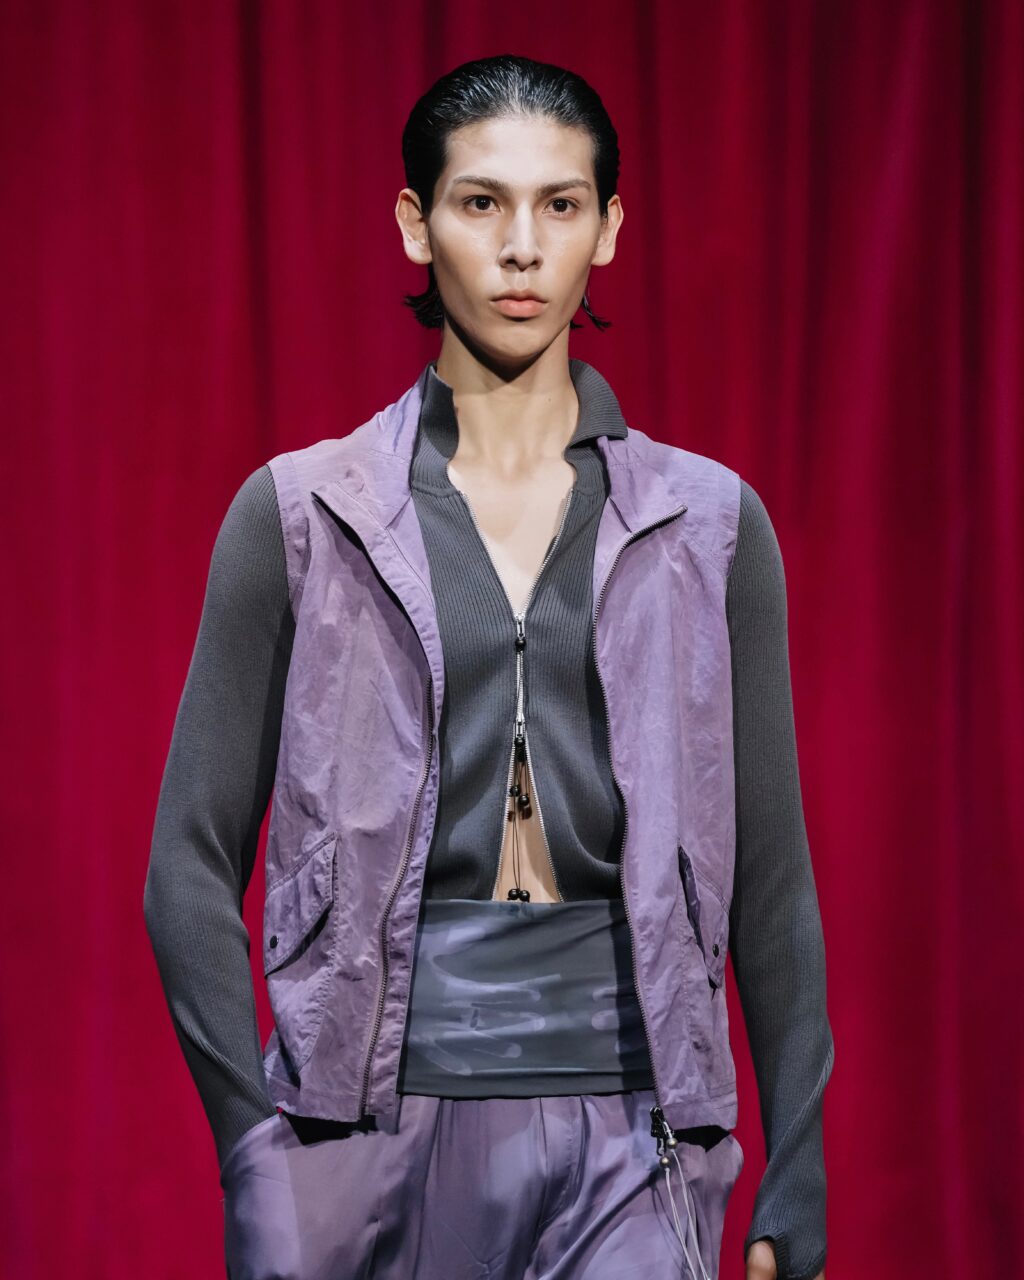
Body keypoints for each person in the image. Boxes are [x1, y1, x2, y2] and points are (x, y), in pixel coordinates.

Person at [144, 54, 834, 1280]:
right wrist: (253, 1144)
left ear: (607, 229)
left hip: (635, 1129)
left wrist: (798, 1153)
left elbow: (769, 876)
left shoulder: (709, 525)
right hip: (364, 1132)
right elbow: (186, 860)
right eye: (481, 202)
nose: (522, 247)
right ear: (417, 223)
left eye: (559, 204)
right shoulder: (305, 514)